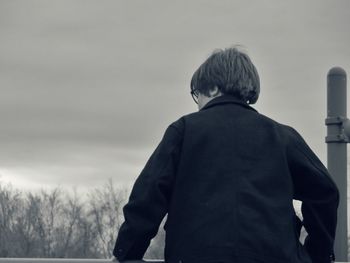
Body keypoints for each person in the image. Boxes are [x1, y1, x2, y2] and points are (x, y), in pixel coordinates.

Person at [112, 46, 339, 263]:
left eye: (196, 94)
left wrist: (127, 252)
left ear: (212, 89)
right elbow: (325, 193)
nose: (197, 103)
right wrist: (317, 254)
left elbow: (149, 195)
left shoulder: (184, 131)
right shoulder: (282, 136)